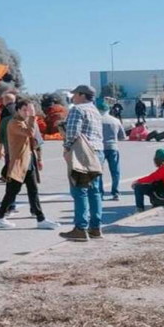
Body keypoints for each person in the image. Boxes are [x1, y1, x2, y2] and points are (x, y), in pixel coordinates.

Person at [0, 101, 59, 229]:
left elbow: (35, 140)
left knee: (33, 191)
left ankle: (41, 219)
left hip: (29, 162)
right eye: (25, 110)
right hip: (18, 163)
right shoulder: (14, 123)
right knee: (12, 192)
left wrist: (39, 158)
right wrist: (33, 117)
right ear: (18, 110)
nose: (27, 112)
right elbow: (29, 133)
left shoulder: (26, 122)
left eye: (30, 110)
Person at [62, 85, 104, 241]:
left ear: (81, 95)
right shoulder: (95, 111)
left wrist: (66, 149)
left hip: (82, 153)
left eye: (75, 94)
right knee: (95, 191)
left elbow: (73, 132)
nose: (73, 97)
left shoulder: (77, 110)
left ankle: (80, 228)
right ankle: (96, 227)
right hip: (97, 152)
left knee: (80, 191)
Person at [100, 105, 125, 201]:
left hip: (100, 148)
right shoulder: (115, 121)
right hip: (113, 147)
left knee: (99, 172)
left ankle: (100, 193)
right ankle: (116, 192)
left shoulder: (97, 121)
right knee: (115, 171)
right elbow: (122, 137)